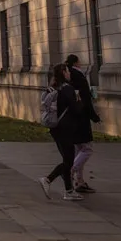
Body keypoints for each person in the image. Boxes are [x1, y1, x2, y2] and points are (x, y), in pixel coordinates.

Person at [39, 63, 84, 201]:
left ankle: (68, 191)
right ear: (64, 73)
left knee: (67, 159)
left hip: (55, 128)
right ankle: (47, 179)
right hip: (65, 128)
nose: (69, 73)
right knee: (68, 161)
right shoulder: (68, 89)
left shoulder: (54, 88)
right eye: (68, 71)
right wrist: (80, 102)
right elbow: (76, 109)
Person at [65, 54, 101, 194]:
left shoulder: (68, 76)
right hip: (80, 117)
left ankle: (79, 181)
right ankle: (70, 171)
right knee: (86, 148)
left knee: (78, 149)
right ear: (76, 62)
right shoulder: (78, 76)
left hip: (71, 117)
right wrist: (94, 116)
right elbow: (86, 98)